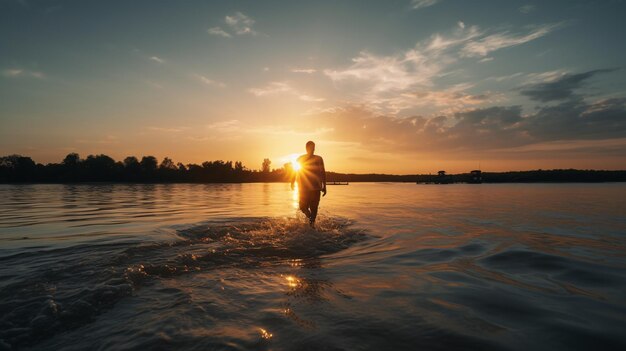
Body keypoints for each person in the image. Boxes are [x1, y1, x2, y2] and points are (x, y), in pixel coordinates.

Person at [291, 141, 326, 227]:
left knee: (314, 208)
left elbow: (323, 172)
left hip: (316, 188)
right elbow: (295, 170)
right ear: (306, 148)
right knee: (302, 207)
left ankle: (312, 224)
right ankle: (310, 219)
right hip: (303, 188)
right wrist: (292, 181)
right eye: (310, 148)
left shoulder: (319, 159)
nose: (312, 149)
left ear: (314, 148)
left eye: (313, 148)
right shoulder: (300, 159)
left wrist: (324, 186)